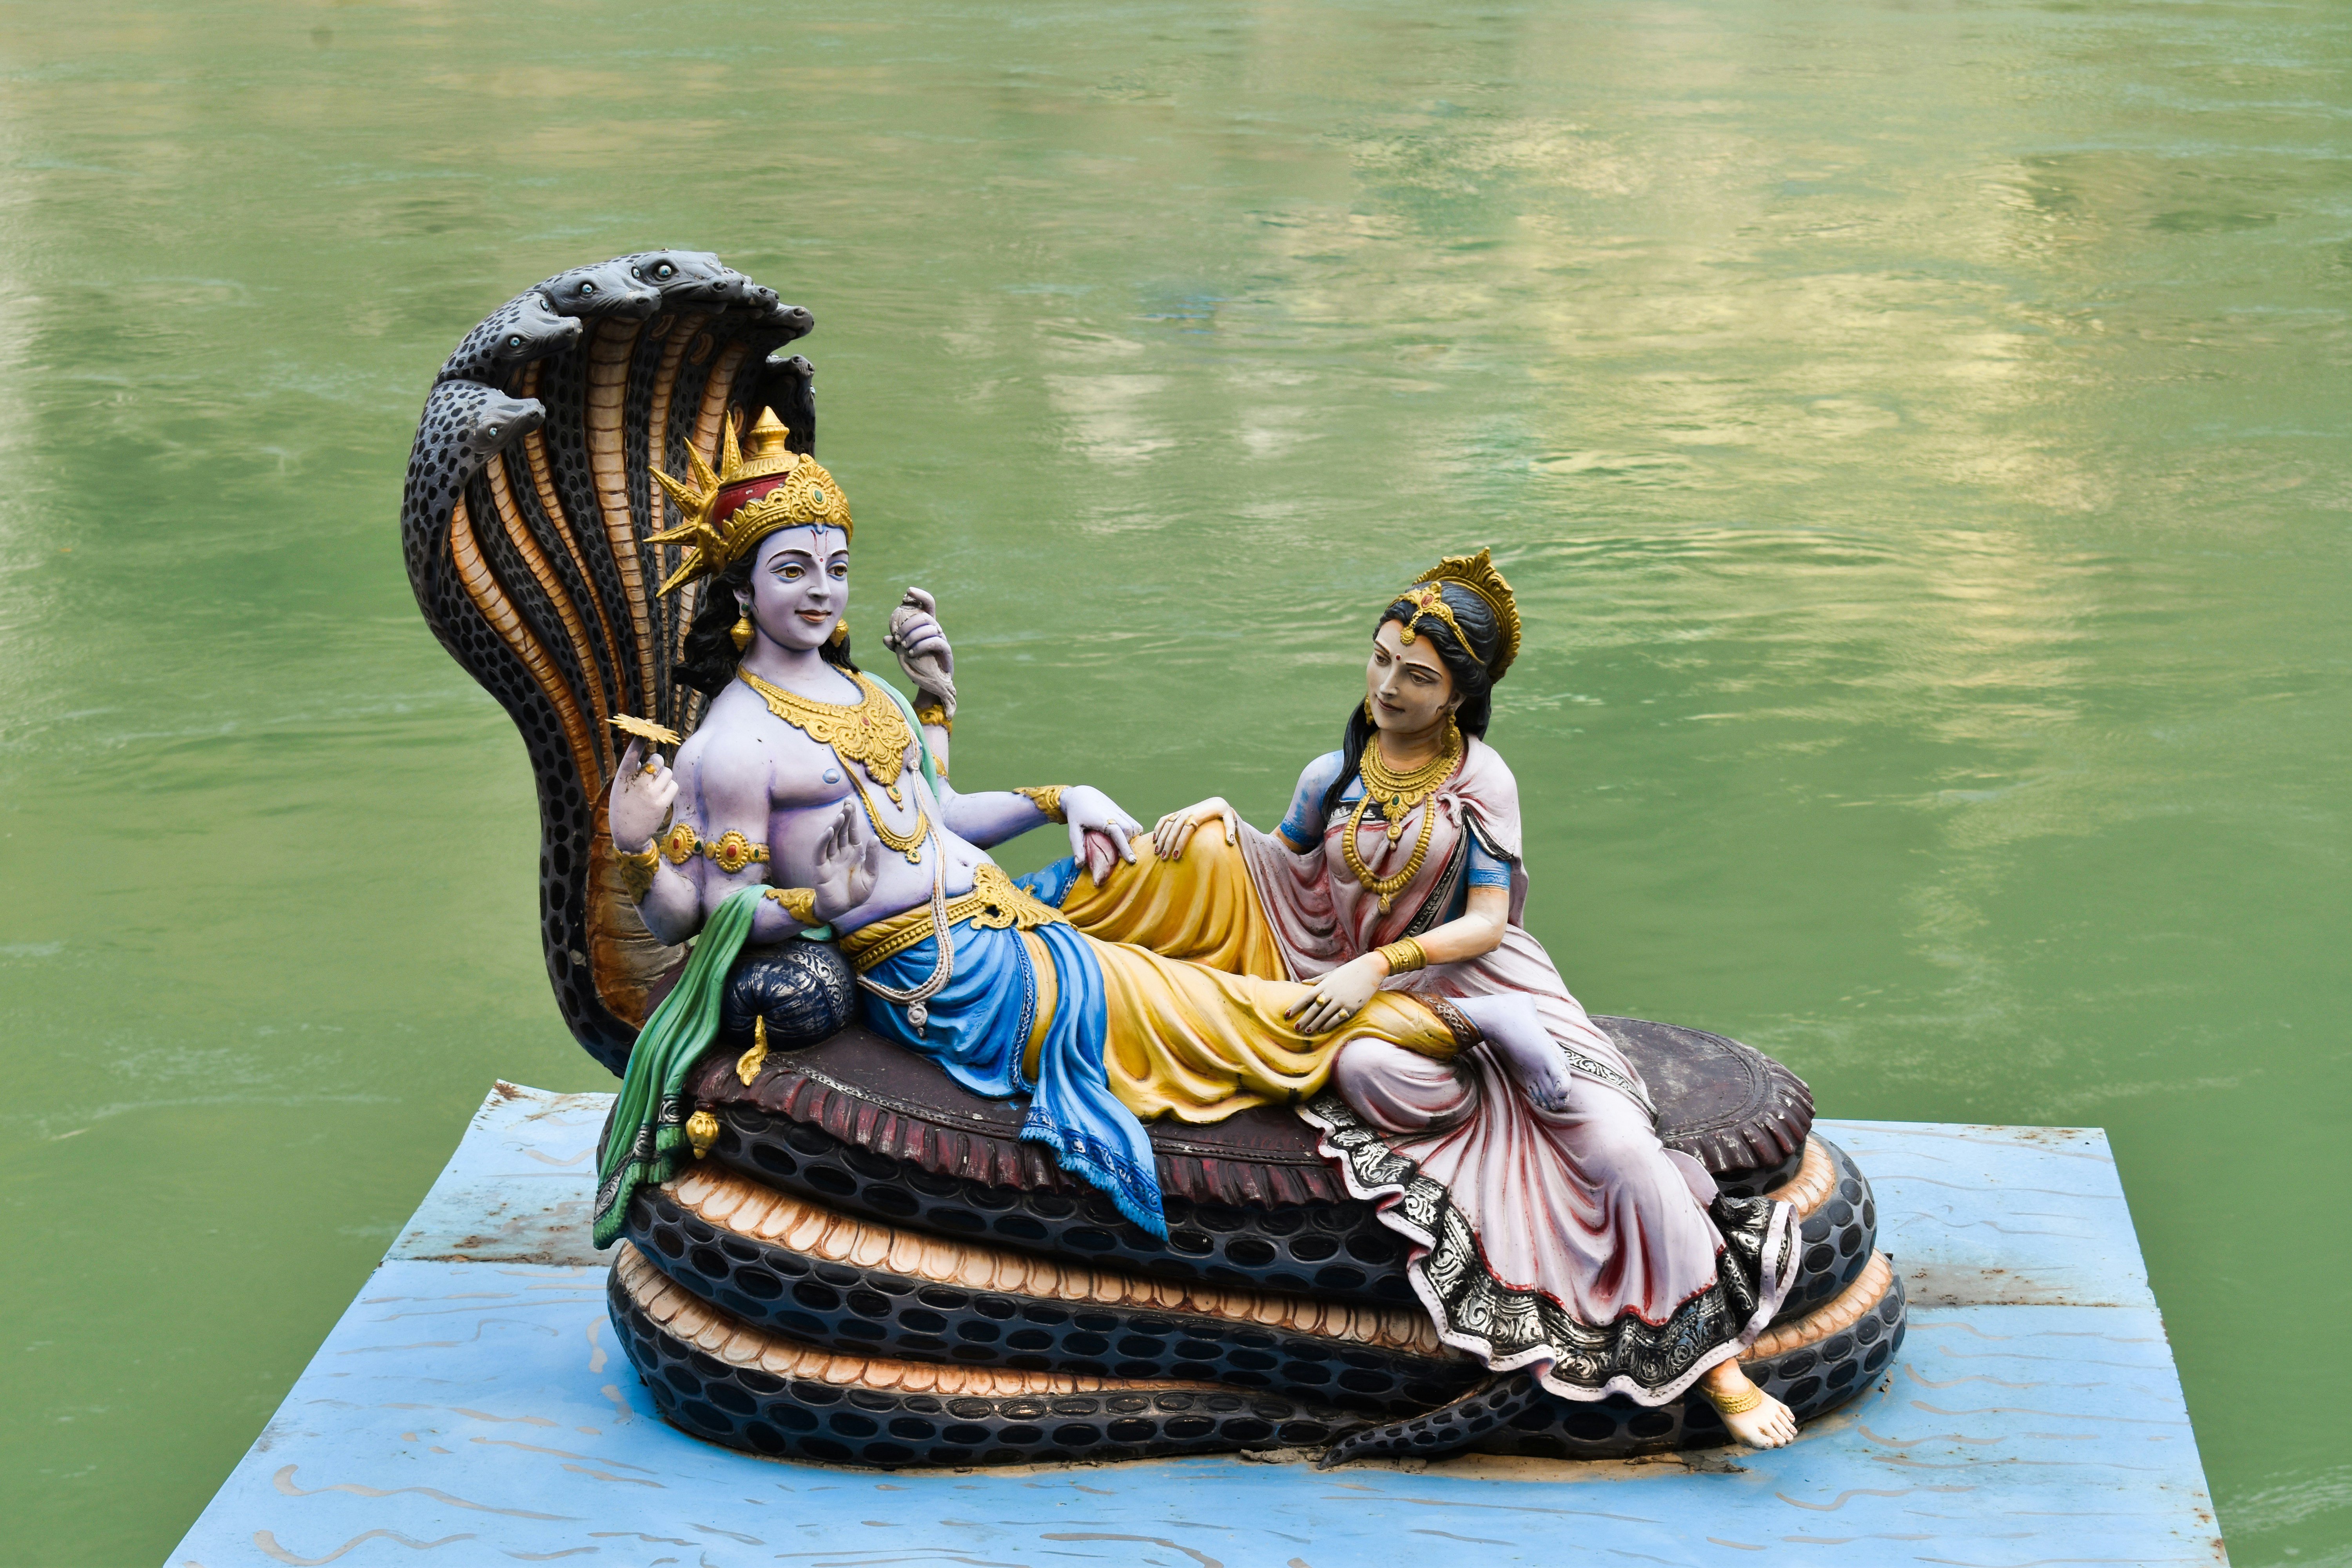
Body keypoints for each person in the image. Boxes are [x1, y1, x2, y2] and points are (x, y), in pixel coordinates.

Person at [1043, 552, 1800, 1444]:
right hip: (1365, 993)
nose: (1388, 685)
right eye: (1380, 659)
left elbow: (1486, 922)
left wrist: (1382, 964)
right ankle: (1024, 939)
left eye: (1417, 675)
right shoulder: (1335, 773)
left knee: (1616, 1146)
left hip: (1482, 981)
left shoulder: (1483, 780)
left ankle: (1715, 1359)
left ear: (1458, 695)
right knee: (1361, 1067)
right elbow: (1282, 872)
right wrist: (1216, 821)